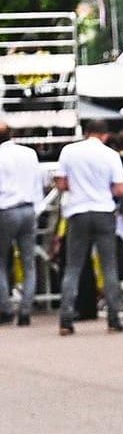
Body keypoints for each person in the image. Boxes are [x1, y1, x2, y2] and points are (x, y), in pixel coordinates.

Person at [54, 119, 123, 335]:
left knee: (73, 267)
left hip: (77, 211)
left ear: (86, 132)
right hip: (103, 211)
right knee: (109, 267)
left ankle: (66, 319)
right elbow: (120, 189)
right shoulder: (111, 155)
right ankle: (114, 319)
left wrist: (77, 187)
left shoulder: (69, 151)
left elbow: (61, 183)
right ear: (104, 135)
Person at [0, 122, 43, 326]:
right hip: (28, 208)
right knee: (29, 263)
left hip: (5, 210)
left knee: (1, 261)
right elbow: (38, 182)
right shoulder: (29, 154)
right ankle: (26, 309)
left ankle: (6, 307)